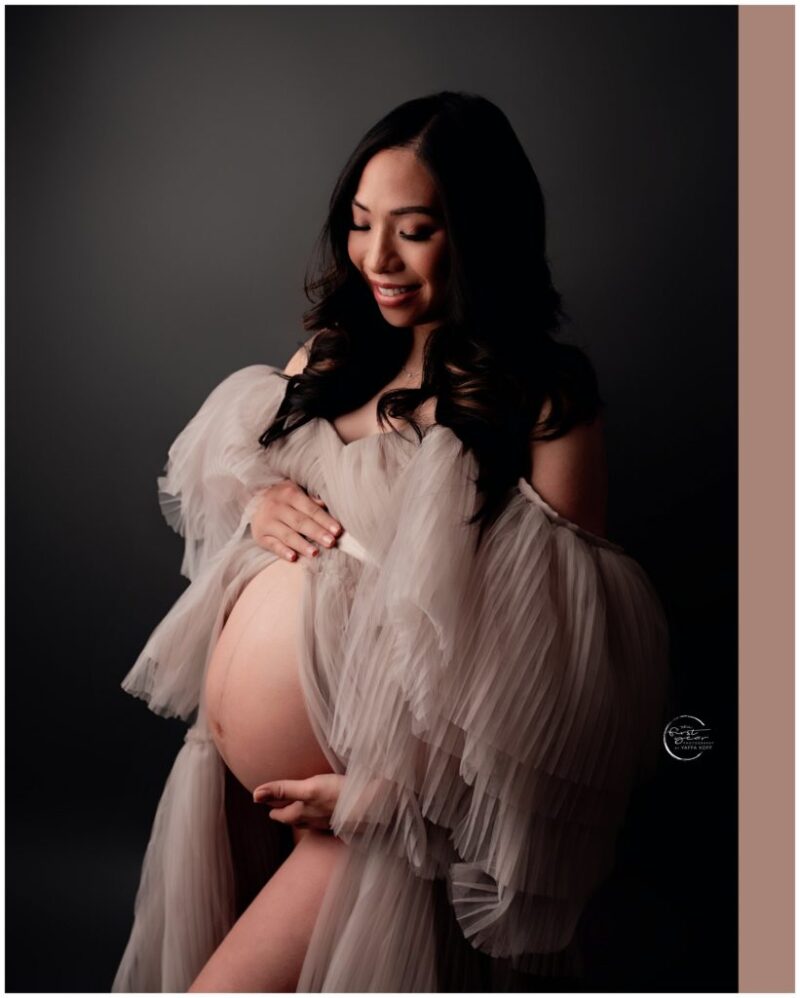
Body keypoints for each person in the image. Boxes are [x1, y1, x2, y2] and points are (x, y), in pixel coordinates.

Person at [111, 91, 673, 993]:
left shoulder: (543, 406)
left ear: (480, 234)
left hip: (377, 824)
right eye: (362, 223)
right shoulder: (333, 357)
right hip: (228, 788)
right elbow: (227, 506)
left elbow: (561, 690)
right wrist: (258, 510)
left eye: (414, 230)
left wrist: (385, 803)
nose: (376, 258)